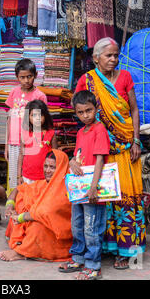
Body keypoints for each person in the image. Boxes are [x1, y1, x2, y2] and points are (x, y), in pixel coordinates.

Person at [75, 37, 145, 270]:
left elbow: (134, 110)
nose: (114, 59)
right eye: (109, 55)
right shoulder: (87, 81)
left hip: (126, 150)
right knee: (104, 200)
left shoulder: (125, 77)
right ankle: (105, 248)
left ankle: (127, 251)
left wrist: (136, 140)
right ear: (96, 58)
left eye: (116, 55)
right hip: (100, 152)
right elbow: (82, 116)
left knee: (126, 200)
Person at [58, 90, 110, 280]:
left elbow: (99, 160)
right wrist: (72, 162)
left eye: (89, 110)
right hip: (79, 188)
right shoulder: (81, 132)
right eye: (80, 112)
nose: (85, 115)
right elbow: (79, 156)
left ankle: (93, 264)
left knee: (92, 227)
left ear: (96, 108)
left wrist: (94, 187)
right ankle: (78, 256)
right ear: (76, 112)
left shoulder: (99, 130)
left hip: (91, 188)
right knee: (77, 225)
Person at [0, 150, 73, 261]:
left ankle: (22, 252)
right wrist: (10, 205)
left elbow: (44, 213)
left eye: (52, 167)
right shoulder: (43, 184)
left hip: (56, 234)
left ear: (61, 168)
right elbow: (18, 189)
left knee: (37, 227)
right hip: (38, 220)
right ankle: (23, 242)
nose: (47, 170)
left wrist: (20, 218)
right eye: (46, 166)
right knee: (21, 200)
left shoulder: (65, 189)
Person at [4, 59, 47, 193]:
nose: (26, 80)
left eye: (29, 76)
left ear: (36, 74)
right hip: (13, 142)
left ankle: (29, 204)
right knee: (14, 177)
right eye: (22, 77)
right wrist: (6, 145)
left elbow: (43, 123)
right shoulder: (14, 92)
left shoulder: (39, 96)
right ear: (17, 77)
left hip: (30, 143)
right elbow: (9, 119)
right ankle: (14, 205)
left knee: (28, 175)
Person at [17, 99, 58, 185]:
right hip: (27, 176)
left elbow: (56, 157)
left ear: (45, 116)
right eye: (33, 115)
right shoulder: (25, 133)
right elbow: (21, 154)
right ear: (28, 117)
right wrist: (18, 176)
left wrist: (55, 176)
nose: (37, 118)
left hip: (45, 177)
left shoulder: (51, 134)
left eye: (40, 115)